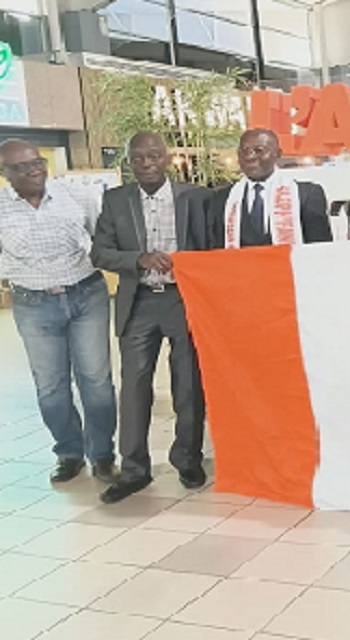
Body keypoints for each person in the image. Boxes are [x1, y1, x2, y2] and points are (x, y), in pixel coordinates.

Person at [91, 132, 212, 504]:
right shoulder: (115, 200)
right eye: (138, 157)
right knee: (134, 387)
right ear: (128, 162)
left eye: (154, 155)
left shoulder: (196, 197)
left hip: (183, 300)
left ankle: (187, 459)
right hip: (138, 301)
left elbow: (213, 248)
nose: (146, 163)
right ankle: (134, 470)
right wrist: (138, 259)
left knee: (188, 384)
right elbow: (99, 253)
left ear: (168, 158)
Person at [0, 140, 117, 484]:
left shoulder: (76, 195)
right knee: (50, 386)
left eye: (37, 162)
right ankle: (69, 452)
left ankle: (102, 455)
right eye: (22, 167)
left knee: (96, 381)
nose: (34, 170)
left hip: (86, 295)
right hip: (32, 304)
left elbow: (101, 240)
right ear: (6, 173)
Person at [208, 129, 332, 248]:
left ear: (278, 154)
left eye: (259, 150)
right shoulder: (223, 199)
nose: (250, 157)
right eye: (245, 151)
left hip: (289, 262)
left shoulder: (306, 195)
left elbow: (321, 250)